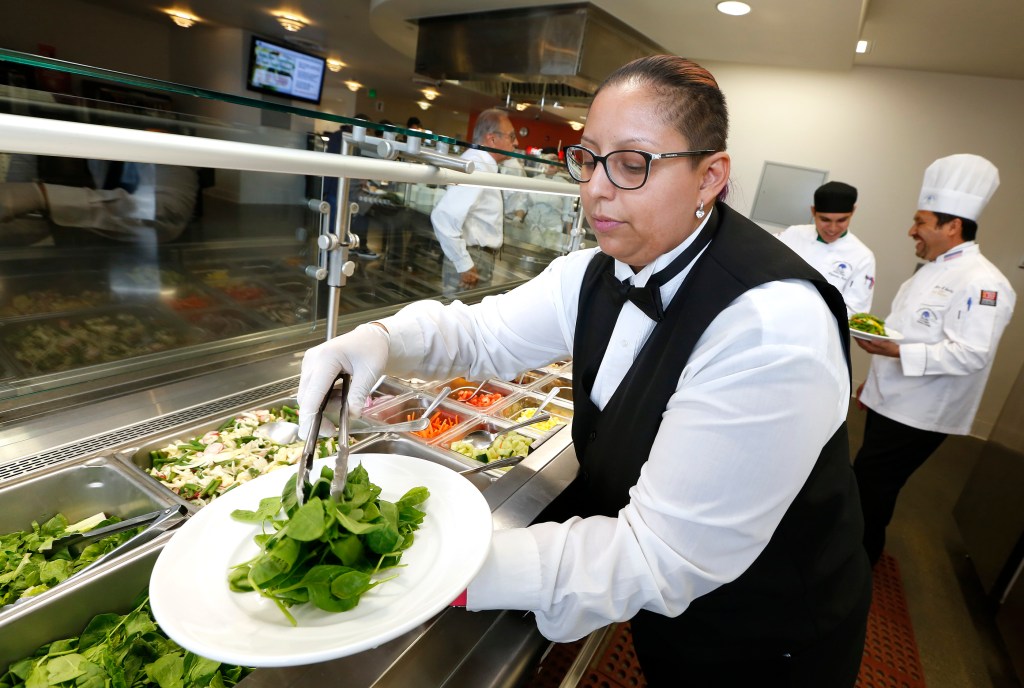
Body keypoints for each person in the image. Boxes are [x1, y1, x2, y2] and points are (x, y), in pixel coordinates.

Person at [298, 55, 870, 687]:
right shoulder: (595, 269)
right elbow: (482, 333)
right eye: (589, 158)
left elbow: (659, 556)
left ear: (710, 177)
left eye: (632, 164)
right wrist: (377, 340)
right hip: (671, 618)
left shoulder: (770, 327)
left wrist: (433, 565)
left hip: (767, 634)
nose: (595, 188)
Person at [853, 153, 1015, 566]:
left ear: (952, 226)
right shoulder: (933, 268)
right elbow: (910, 331)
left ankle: (856, 564)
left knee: (870, 487)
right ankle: (854, 556)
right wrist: (873, 382)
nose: (913, 231)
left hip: (920, 412)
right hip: (892, 400)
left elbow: (971, 354)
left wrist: (893, 351)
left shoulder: (983, 283)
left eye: (920, 222)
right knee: (869, 484)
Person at [0, 160, 199, 245]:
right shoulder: (36, 132)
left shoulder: (159, 136)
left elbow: (166, 214)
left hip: (147, 273)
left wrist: (43, 196)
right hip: (69, 273)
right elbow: (19, 213)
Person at [430, 108, 518, 291]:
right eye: (511, 136)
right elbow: (442, 216)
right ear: (492, 138)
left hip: (478, 257)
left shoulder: (481, 163)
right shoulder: (477, 166)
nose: (516, 142)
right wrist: (465, 264)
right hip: (474, 258)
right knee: (462, 318)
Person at [775, 181, 876, 316]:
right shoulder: (792, 234)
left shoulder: (862, 256)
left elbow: (855, 312)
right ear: (813, 211)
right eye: (825, 220)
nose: (833, 228)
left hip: (822, 331)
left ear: (853, 212)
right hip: (777, 314)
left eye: (841, 220)